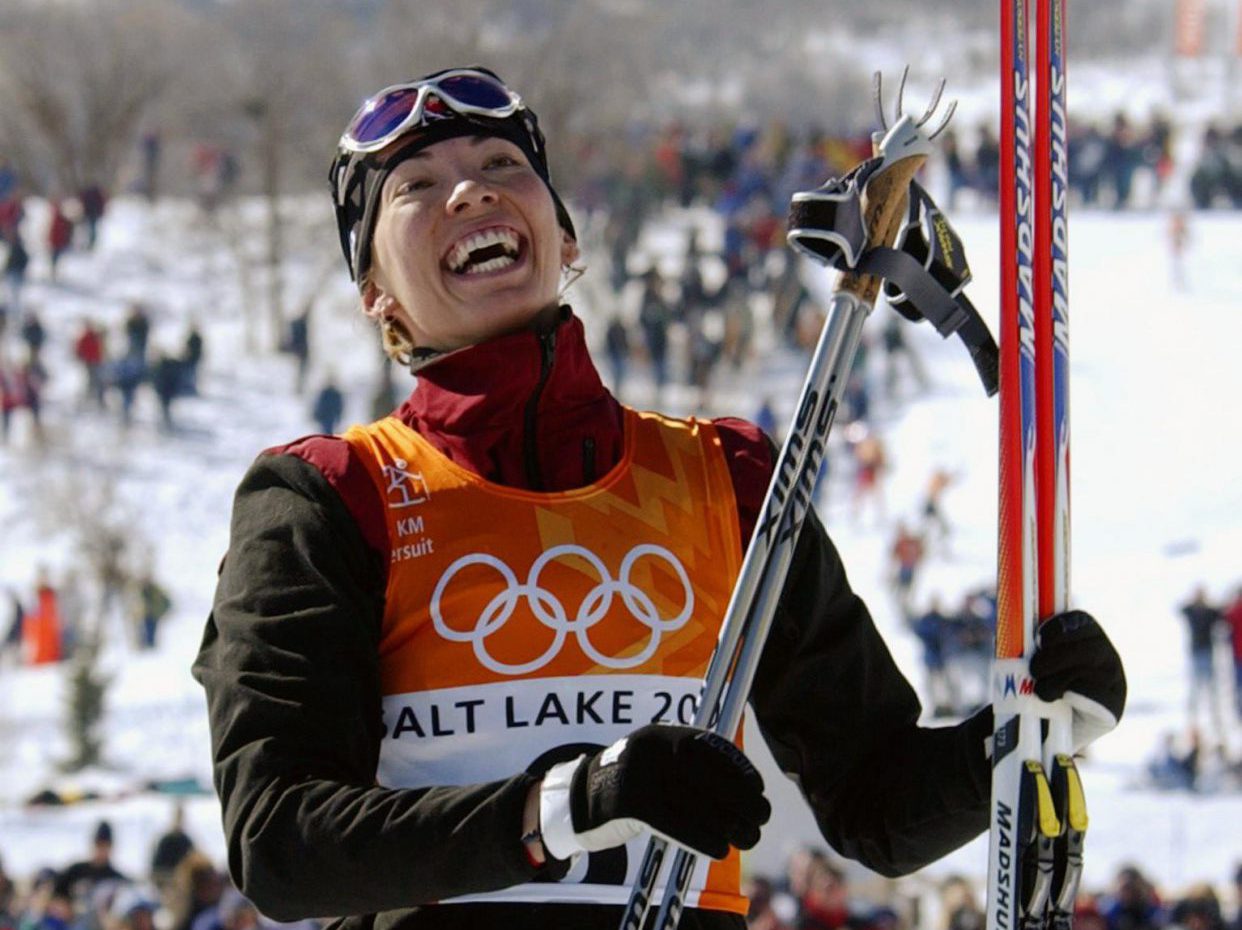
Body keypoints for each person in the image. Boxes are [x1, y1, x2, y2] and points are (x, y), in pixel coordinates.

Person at [192, 66, 1127, 930]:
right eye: (416, 187)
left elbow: (877, 807)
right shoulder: (328, 497)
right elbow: (280, 840)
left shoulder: (729, 478)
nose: (469, 192)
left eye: (499, 164)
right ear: (376, 295)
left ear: (565, 236)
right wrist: (571, 803)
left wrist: (1016, 739)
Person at [52, 820, 128, 906]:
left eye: (105, 846)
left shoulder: (116, 879)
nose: (102, 851)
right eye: (99, 845)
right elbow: (54, 891)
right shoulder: (75, 871)